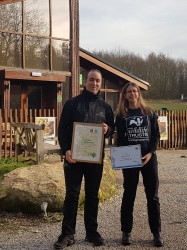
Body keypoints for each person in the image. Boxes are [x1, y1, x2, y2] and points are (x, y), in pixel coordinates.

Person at [53, 69, 115, 249]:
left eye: (97, 81)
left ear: (100, 84)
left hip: (95, 159)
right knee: (72, 195)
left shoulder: (106, 107)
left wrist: (107, 130)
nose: (94, 84)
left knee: (92, 195)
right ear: (85, 81)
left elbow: (111, 129)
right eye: (91, 80)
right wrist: (66, 150)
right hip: (74, 158)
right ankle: (67, 234)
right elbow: (63, 129)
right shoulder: (72, 104)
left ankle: (91, 232)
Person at [115, 82, 163, 247]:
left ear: (139, 93)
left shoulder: (149, 112)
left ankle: (156, 233)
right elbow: (120, 139)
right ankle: (126, 232)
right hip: (130, 158)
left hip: (148, 157)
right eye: (129, 91)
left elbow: (156, 134)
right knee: (129, 195)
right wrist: (121, 158)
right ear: (125, 94)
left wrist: (151, 152)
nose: (132, 93)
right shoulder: (121, 114)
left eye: (135, 91)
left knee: (153, 196)